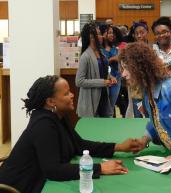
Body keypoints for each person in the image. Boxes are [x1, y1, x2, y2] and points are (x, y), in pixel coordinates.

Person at [0, 75, 142, 193]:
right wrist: (100, 168)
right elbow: (53, 170)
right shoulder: (43, 125)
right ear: (50, 101)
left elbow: (78, 145)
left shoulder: (58, 115)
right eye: (67, 93)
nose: (73, 94)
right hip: (18, 187)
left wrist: (119, 147)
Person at [119, 42, 171, 192]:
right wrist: (145, 139)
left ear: (140, 68)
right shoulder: (148, 91)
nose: (123, 74)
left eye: (126, 68)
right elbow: (157, 120)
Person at [76, 22, 116, 117]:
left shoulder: (101, 53)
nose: (101, 36)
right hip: (91, 100)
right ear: (91, 37)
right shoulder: (85, 56)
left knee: (105, 128)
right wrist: (102, 82)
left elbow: (101, 71)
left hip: (103, 97)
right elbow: (79, 81)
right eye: (98, 34)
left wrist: (110, 77)